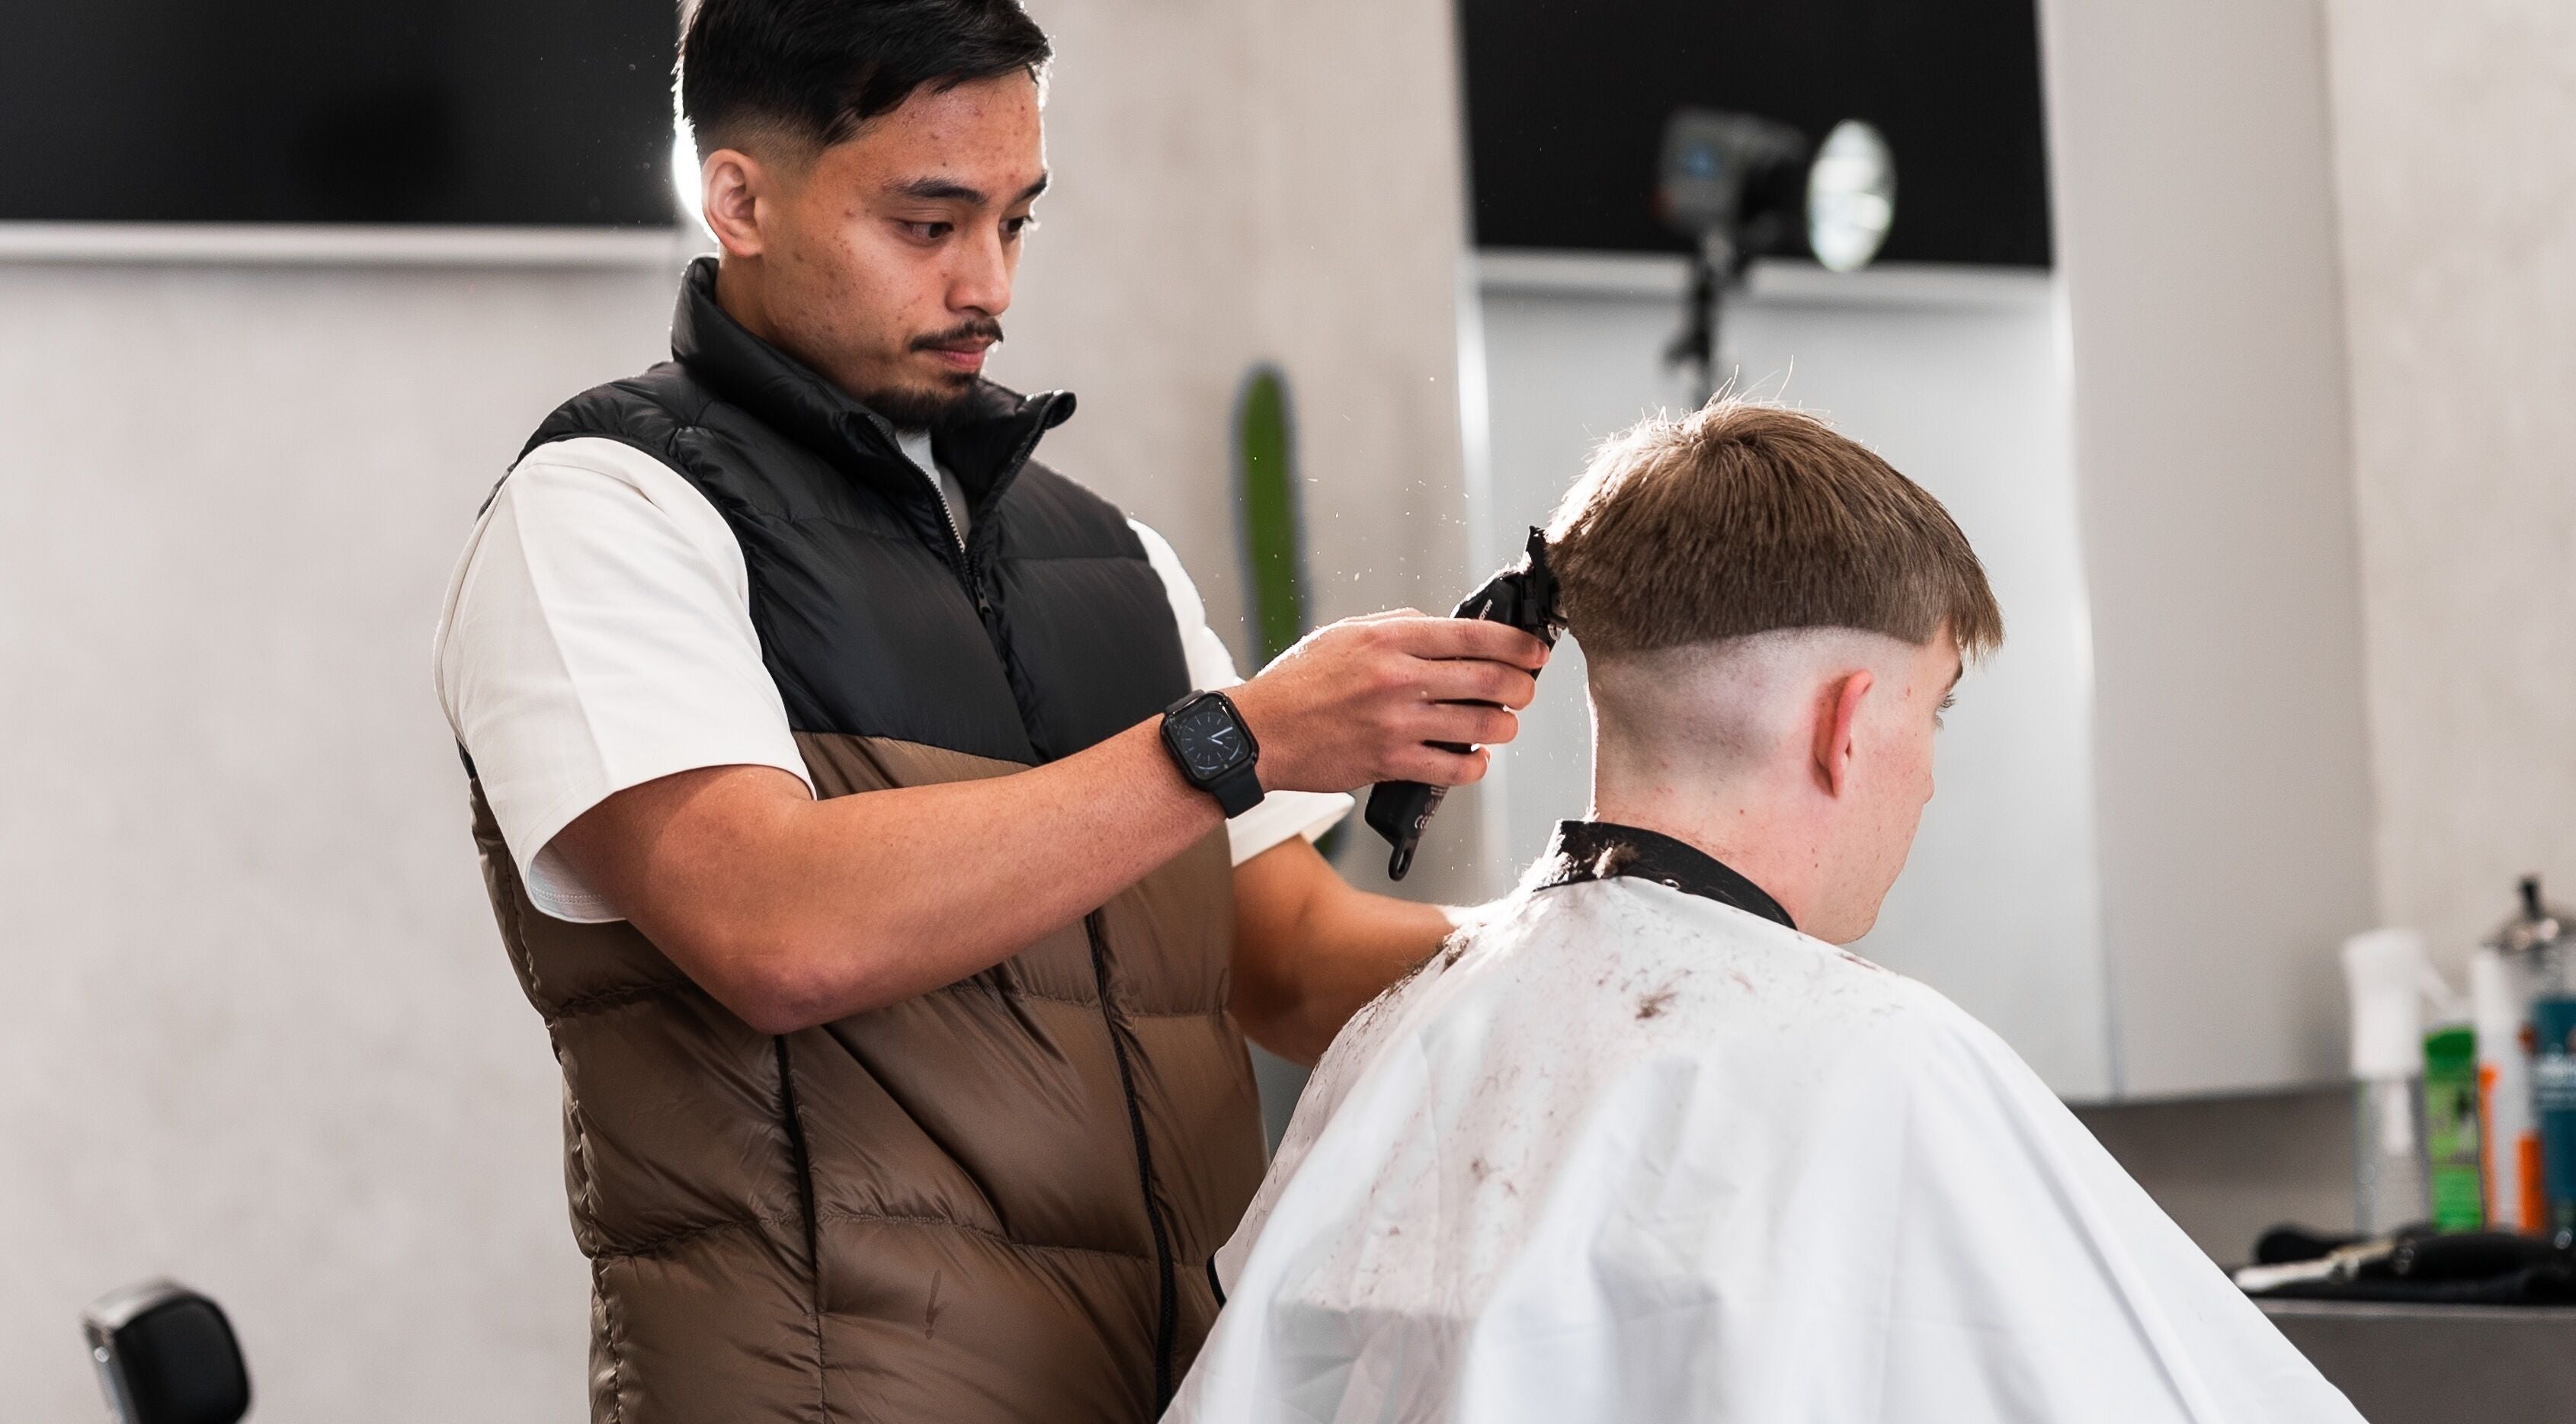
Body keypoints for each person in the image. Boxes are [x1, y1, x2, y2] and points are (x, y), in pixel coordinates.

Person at [429, 3, 1546, 1420]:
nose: (990, 282)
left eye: (1016, 221)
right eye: (930, 224)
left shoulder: (1116, 561)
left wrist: (1608, 943)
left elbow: (1289, 960)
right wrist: (1236, 739)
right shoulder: (604, 514)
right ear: (739, 201)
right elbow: (777, 927)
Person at [1171, 402, 2362, 1422]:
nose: (1929, 777)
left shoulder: (1397, 1037)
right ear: (1847, 724)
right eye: (1934, 711)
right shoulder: (1889, 1066)